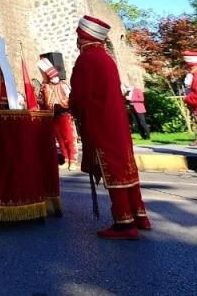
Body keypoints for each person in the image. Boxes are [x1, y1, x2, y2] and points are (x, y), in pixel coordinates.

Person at [69, 15, 150, 240]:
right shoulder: (106, 58)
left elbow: (81, 96)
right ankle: (140, 215)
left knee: (113, 170)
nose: (77, 41)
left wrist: (72, 108)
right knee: (126, 167)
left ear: (84, 37)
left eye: (78, 36)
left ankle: (124, 223)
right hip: (118, 123)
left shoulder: (86, 60)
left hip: (100, 123)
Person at [38, 58, 77, 168]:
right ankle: (65, 158)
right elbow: (42, 100)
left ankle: (73, 159)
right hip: (52, 114)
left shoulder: (62, 85)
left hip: (64, 113)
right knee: (59, 137)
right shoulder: (44, 86)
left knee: (69, 137)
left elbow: (70, 97)